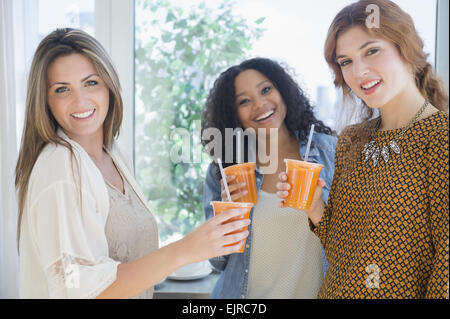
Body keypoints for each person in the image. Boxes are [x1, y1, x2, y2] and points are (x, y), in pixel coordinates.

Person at [15, 28, 250, 299]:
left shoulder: (114, 154)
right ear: (45, 101)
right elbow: (82, 291)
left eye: (90, 83)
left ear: (109, 85)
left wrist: (210, 235)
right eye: (62, 89)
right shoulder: (60, 167)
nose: (80, 100)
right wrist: (186, 249)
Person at [277, 0, 449, 298]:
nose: (359, 71)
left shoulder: (441, 136)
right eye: (345, 62)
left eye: (372, 51)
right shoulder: (351, 140)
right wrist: (315, 207)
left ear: (406, 49)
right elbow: (342, 252)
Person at [201, 57, 337, 298]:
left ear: (282, 91)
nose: (260, 104)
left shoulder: (331, 154)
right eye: (244, 101)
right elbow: (217, 263)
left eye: (266, 90)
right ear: (234, 115)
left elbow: (355, 246)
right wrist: (228, 217)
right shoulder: (224, 172)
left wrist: (318, 210)